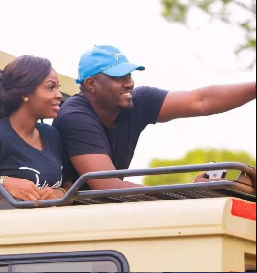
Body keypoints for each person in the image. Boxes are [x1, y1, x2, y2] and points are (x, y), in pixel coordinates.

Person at [53, 45, 256, 190]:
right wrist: (186, 190)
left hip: (112, 208)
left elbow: (200, 100)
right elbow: (106, 185)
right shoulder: (75, 116)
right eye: (118, 77)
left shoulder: (135, 101)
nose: (129, 83)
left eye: (129, 75)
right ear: (90, 84)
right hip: (77, 219)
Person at [0, 55, 72, 201]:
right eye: (50, 87)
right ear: (25, 93)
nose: (58, 95)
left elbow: (70, 186)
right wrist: (1, 182)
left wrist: (59, 194)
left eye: (57, 88)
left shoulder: (51, 135)